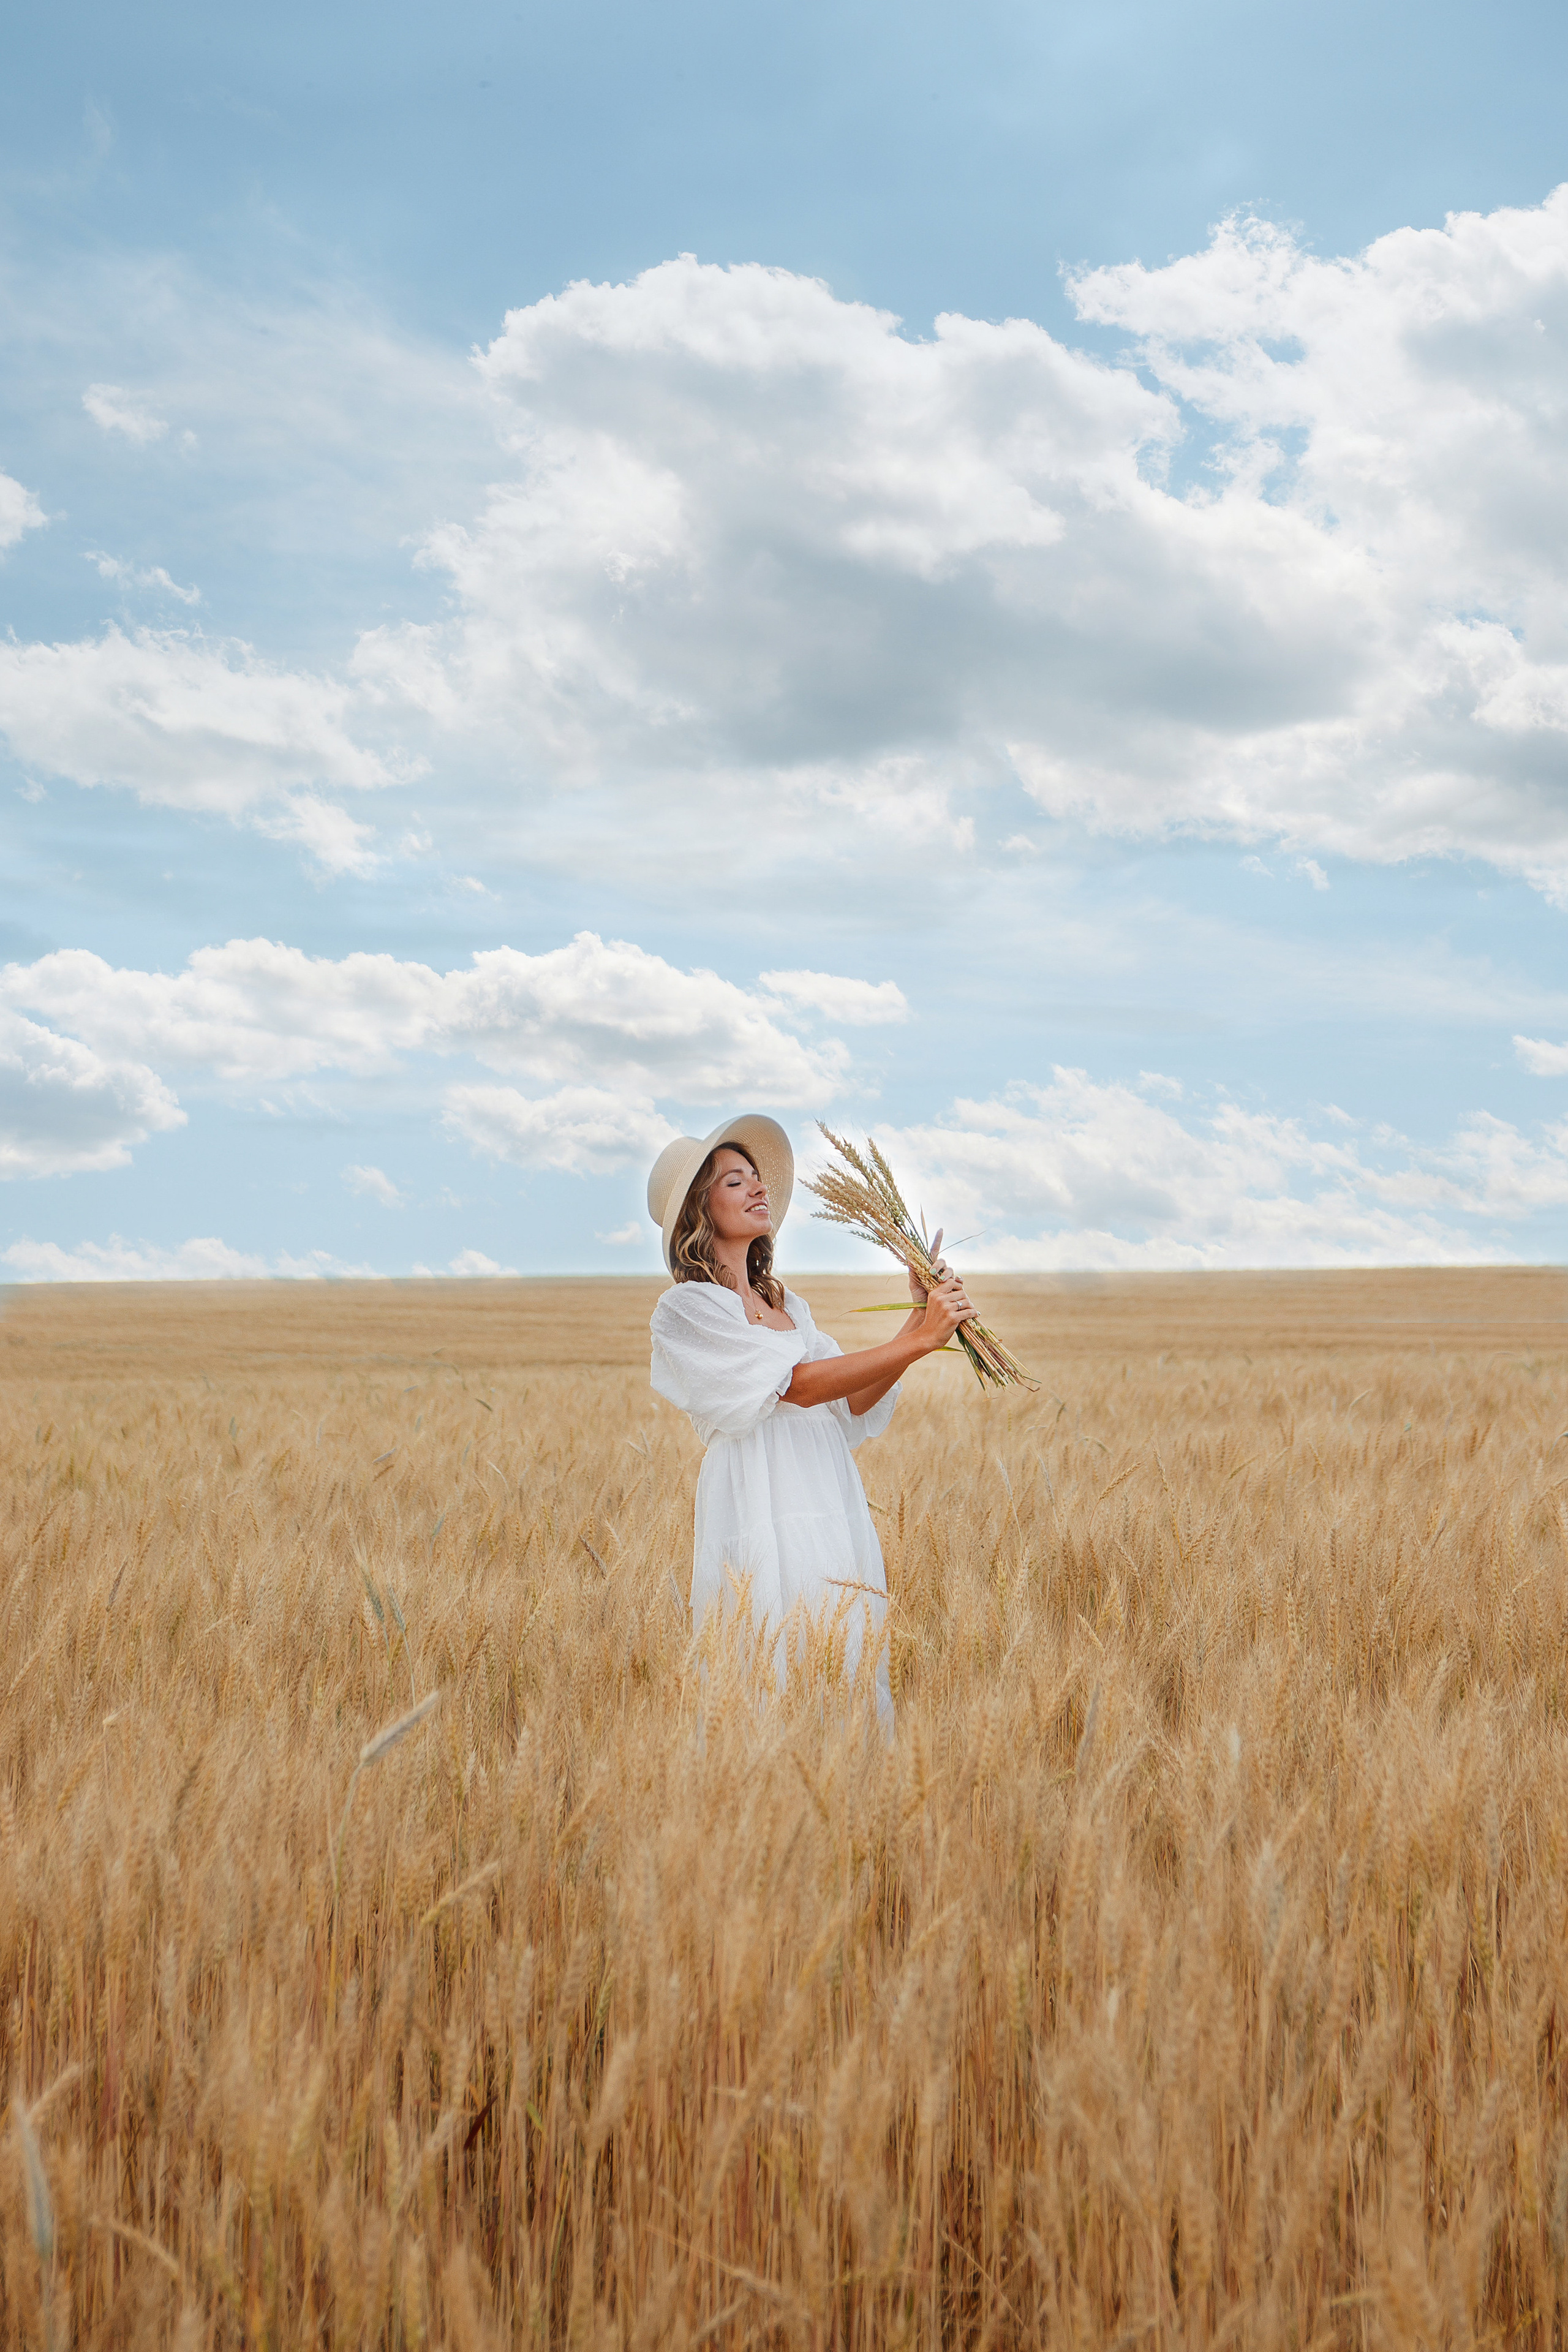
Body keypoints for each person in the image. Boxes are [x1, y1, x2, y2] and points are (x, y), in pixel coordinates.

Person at [646, 1114, 974, 1735]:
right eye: (735, 1182)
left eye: (756, 1179)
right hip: (762, 1501)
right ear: (699, 1208)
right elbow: (794, 1387)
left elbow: (847, 1400)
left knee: (840, 1651)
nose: (758, 1189)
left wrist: (919, 1324)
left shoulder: (785, 1306)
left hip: (824, 1496)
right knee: (769, 1655)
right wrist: (922, 1338)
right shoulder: (686, 1311)